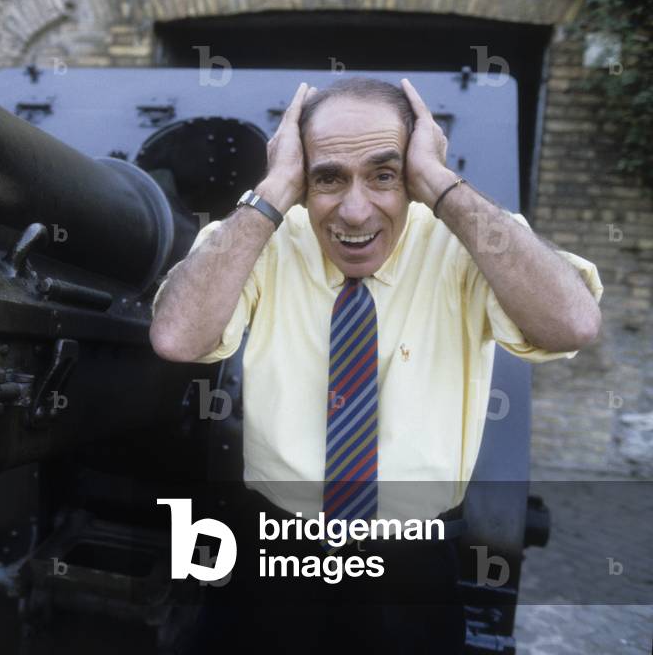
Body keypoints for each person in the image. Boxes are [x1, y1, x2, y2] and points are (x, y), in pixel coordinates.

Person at [149, 77, 603, 653]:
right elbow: (177, 338)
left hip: (411, 561)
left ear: (412, 174)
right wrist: (274, 188)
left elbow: (572, 324)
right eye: (328, 178)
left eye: (384, 175)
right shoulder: (263, 236)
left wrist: (440, 182)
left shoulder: (467, 243)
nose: (355, 210)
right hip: (272, 545)